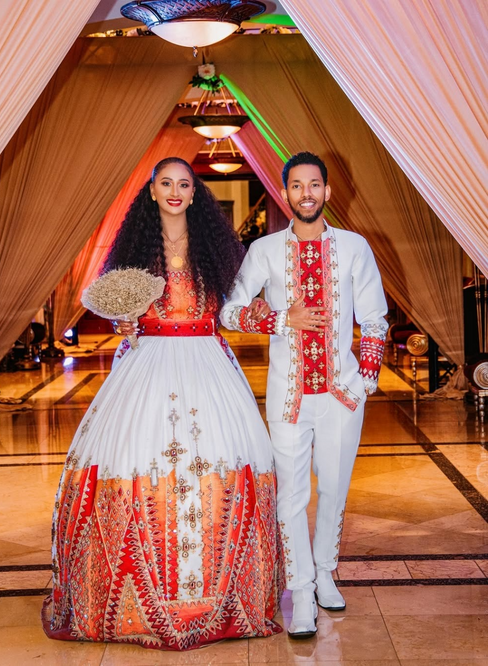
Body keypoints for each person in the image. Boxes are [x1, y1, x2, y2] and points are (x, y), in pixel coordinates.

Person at [42, 158, 285, 649]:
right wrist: (124, 326)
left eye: (184, 185)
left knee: (222, 459)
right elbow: (122, 314)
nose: (175, 191)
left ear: (195, 194)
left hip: (207, 363)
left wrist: (267, 315)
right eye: (166, 184)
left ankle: (223, 599)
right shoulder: (136, 250)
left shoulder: (217, 251)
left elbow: (235, 310)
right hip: (147, 361)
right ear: (151, 192)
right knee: (136, 456)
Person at [220, 152, 388, 638]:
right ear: (285, 193)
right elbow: (230, 311)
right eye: (297, 186)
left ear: (327, 192)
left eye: (315, 185)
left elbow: (375, 319)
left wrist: (364, 380)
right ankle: (300, 589)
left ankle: (327, 573)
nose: (306, 194)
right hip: (288, 396)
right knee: (291, 495)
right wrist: (278, 319)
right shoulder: (265, 251)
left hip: (340, 394)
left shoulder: (355, 248)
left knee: (333, 489)